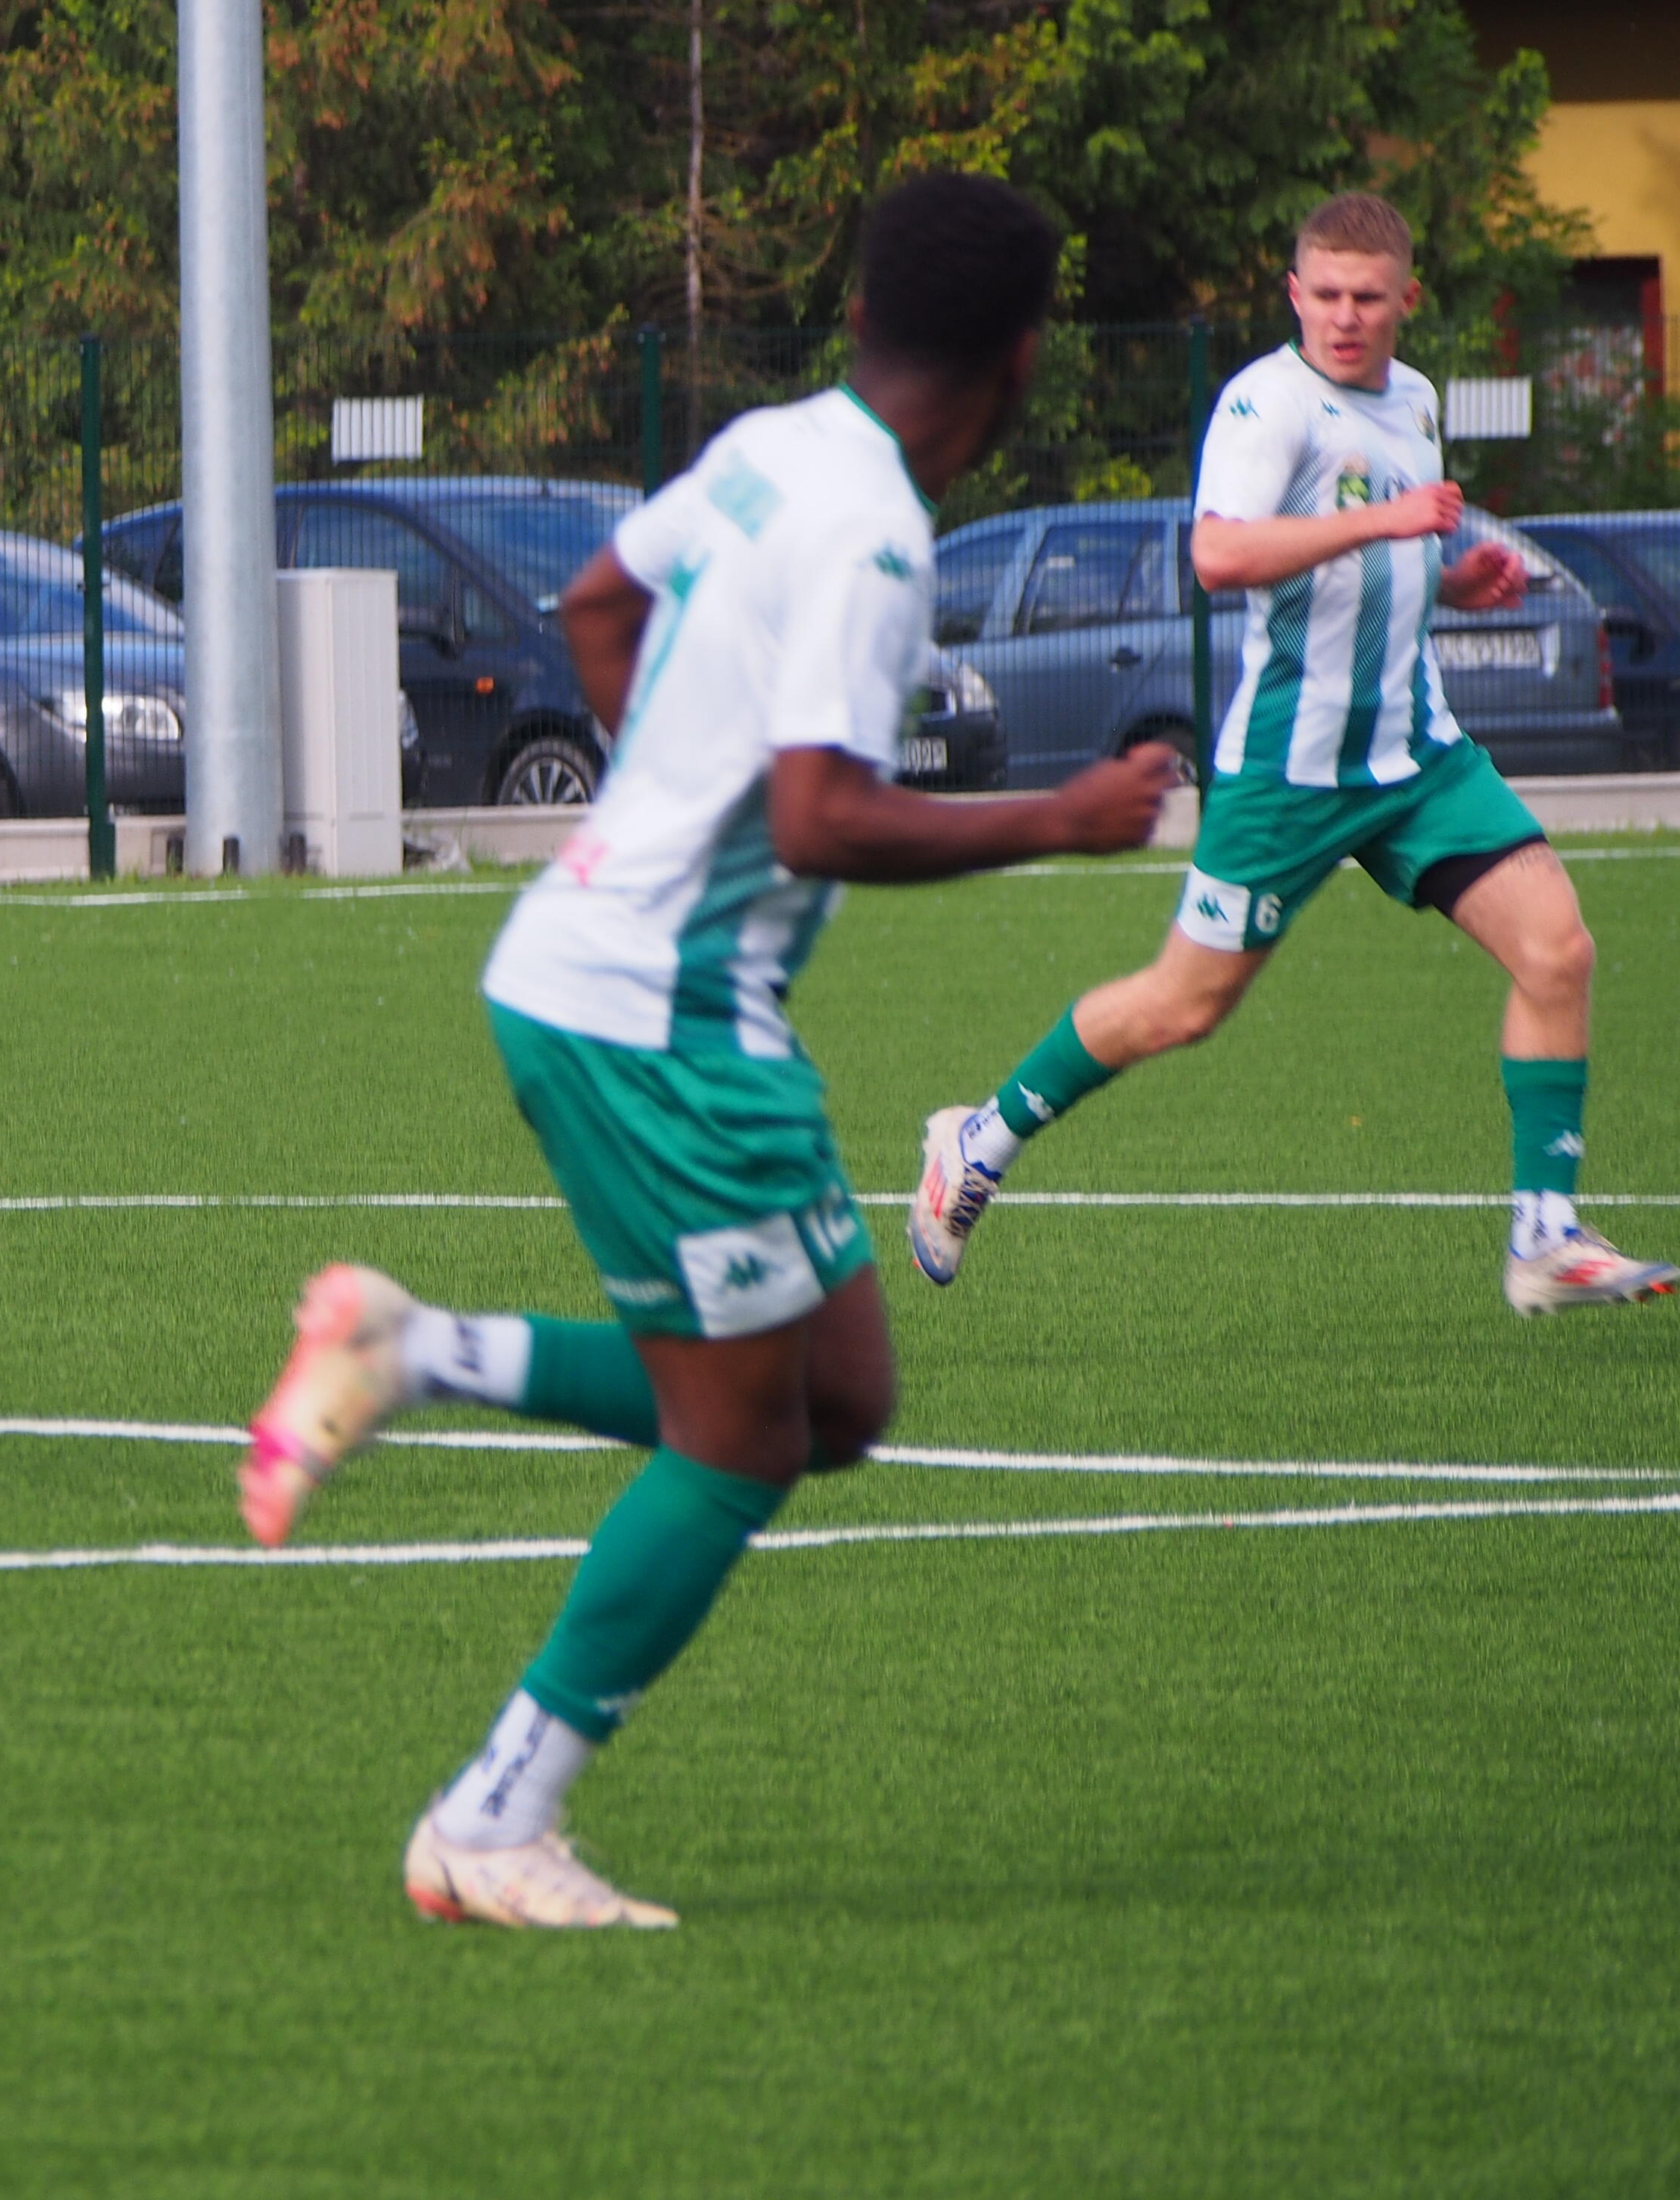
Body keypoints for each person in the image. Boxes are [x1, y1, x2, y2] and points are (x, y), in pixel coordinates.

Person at [235, 174, 1175, 1929]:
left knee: (841, 1402)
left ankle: (412, 1348)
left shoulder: (776, 445)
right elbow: (820, 819)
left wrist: (663, 802)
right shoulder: (880, 538)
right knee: (738, 1445)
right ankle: (494, 1820)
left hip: (633, 982)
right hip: (656, 1018)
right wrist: (1061, 817)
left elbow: (600, 602)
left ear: (866, 318)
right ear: (1024, 360)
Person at [907, 193, 1680, 1317]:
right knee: (1182, 1007)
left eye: (1368, 297)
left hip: (1416, 759)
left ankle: (1545, 1237)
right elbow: (1219, 556)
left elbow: (1381, 563)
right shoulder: (1267, 404)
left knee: (1558, 950)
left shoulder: (1415, 399)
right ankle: (978, 1139)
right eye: (1325, 295)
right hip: (1291, 769)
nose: (1345, 316)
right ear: (1294, 295)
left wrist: (1454, 582)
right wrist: (1385, 524)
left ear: (1408, 299)